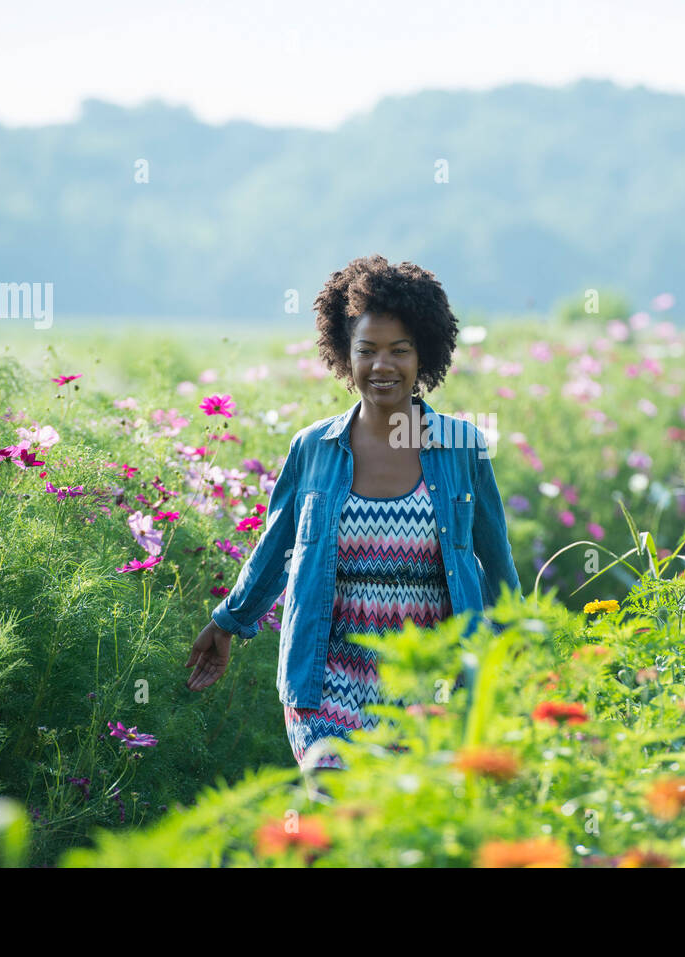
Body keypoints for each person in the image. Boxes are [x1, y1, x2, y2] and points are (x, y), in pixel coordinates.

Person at [185, 255, 522, 793]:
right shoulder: (314, 448)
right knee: (337, 815)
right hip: (327, 679)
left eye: (399, 351)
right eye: (367, 350)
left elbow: (495, 558)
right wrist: (229, 621)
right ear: (346, 355)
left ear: (424, 356)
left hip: (430, 683)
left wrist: (514, 649)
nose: (381, 365)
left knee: (409, 830)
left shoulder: (462, 447)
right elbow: (276, 549)